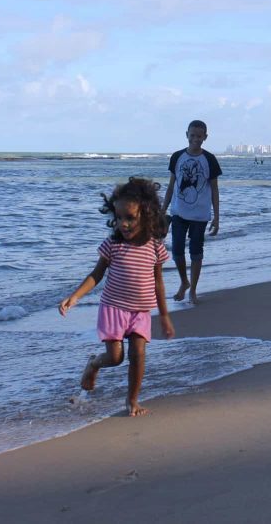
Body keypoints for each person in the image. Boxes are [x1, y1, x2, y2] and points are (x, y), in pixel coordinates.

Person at [58, 177, 175, 417]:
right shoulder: (113, 244)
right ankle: (94, 364)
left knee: (138, 354)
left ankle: (132, 401)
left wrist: (164, 316)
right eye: (119, 217)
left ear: (146, 214)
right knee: (116, 357)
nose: (123, 223)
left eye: (130, 218)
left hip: (141, 311)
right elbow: (96, 274)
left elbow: (158, 282)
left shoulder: (155, 246)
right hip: (114, 308)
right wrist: (75, 296)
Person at [162, 119, 222, 305]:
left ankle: (193, 290)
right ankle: (184, 282)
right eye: (192, 135)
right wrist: (162, 211)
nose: (196, 139)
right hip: (178, 212)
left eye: (199, 136)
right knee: (177, 251)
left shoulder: (209, 159)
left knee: (196, 251)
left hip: (200, 214)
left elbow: (214, 189)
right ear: (186, 135)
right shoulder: (177, 157)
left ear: (205, 137)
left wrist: (217, 217)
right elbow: (171, 186)